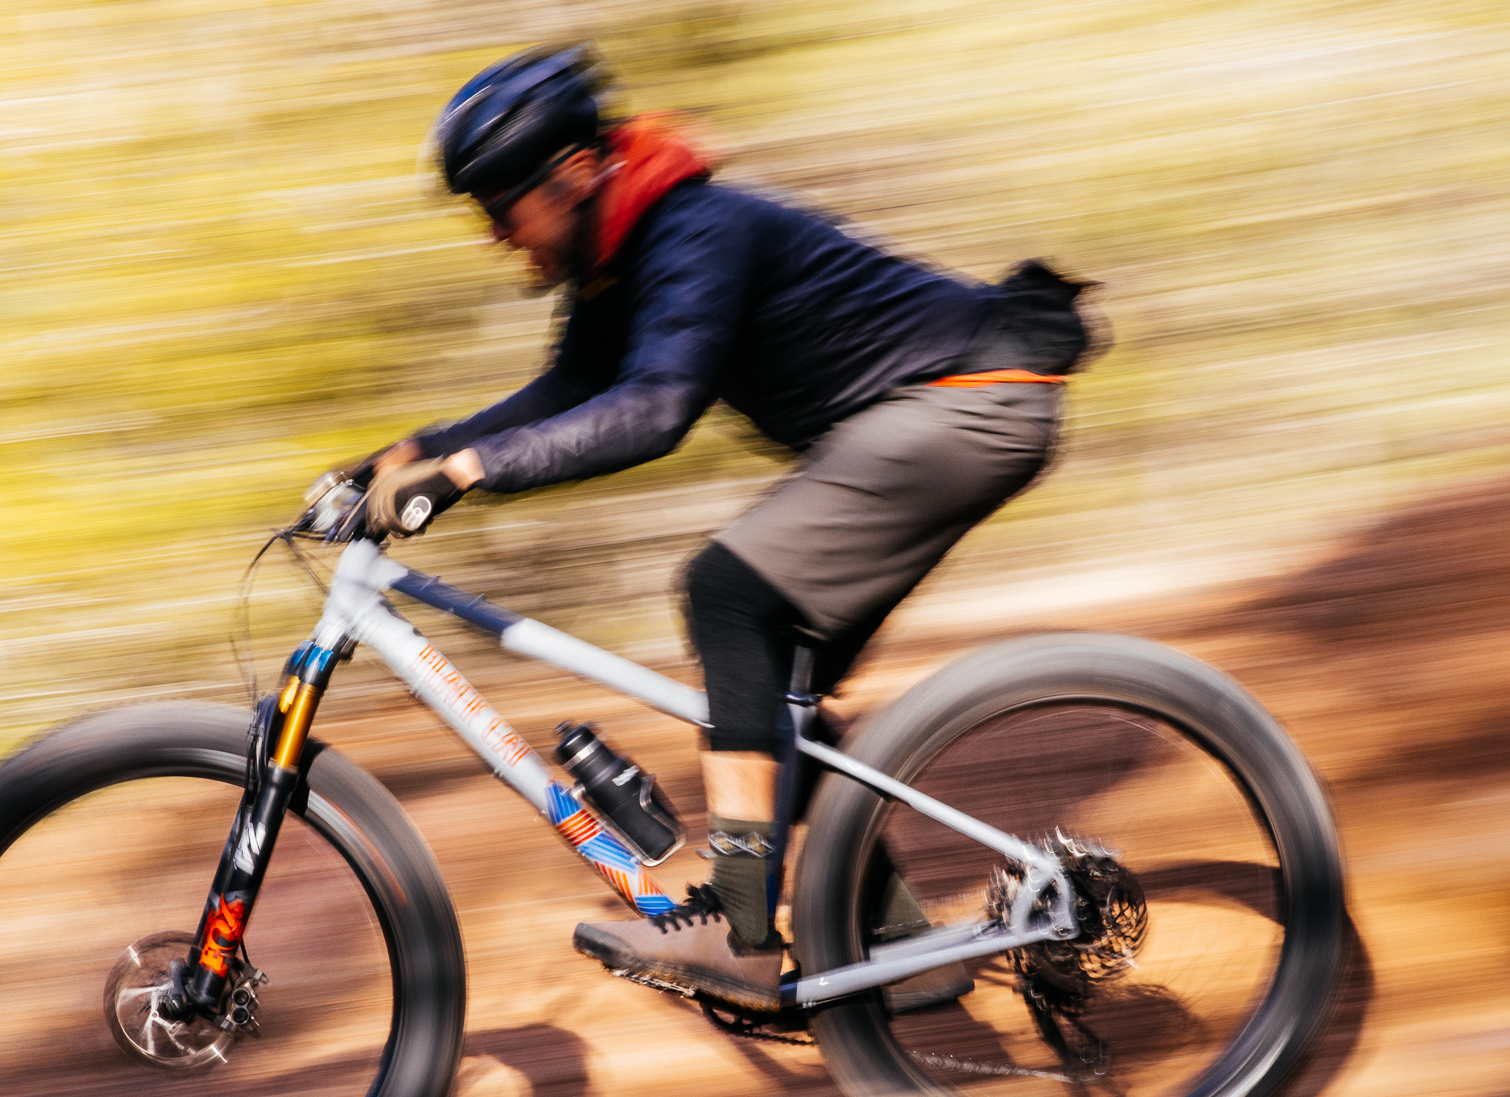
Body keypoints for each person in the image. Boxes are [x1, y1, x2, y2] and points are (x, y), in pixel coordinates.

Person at [362, 44, 1094, 1011]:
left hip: (972, 401)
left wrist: (464, 472)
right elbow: (574, 389)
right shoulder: (620, 262)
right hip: (943, 411)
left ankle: (741, 927)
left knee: (727, 593)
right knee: (777, 696)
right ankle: (899, 944)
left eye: (502, 207)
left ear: (577, 173)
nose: (496, 236)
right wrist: (411, 451)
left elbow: (657, 408)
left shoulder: (693, 230)